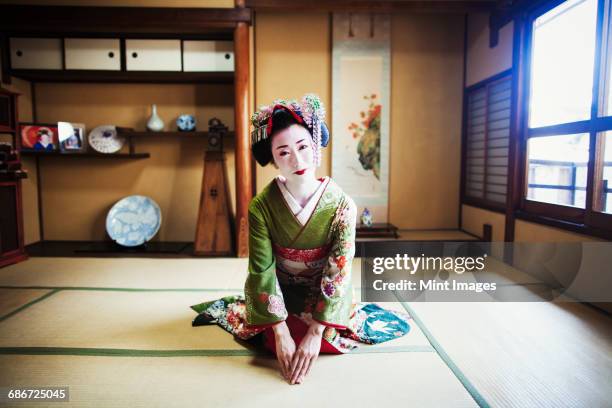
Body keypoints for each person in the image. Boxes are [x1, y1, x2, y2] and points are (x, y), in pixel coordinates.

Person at [190, 94, 410, 385]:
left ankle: (318, 327)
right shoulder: (262, 206)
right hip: (280, 293)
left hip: (323, 293)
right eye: (283, 152)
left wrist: (316, 331)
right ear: (272, 158)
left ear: (316, 144)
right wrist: (280, 331)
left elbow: (339, 271)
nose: (297, 159)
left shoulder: (342, 206)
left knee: (327, 341)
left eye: (303, 146)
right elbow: (261, 270)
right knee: (272, 340)